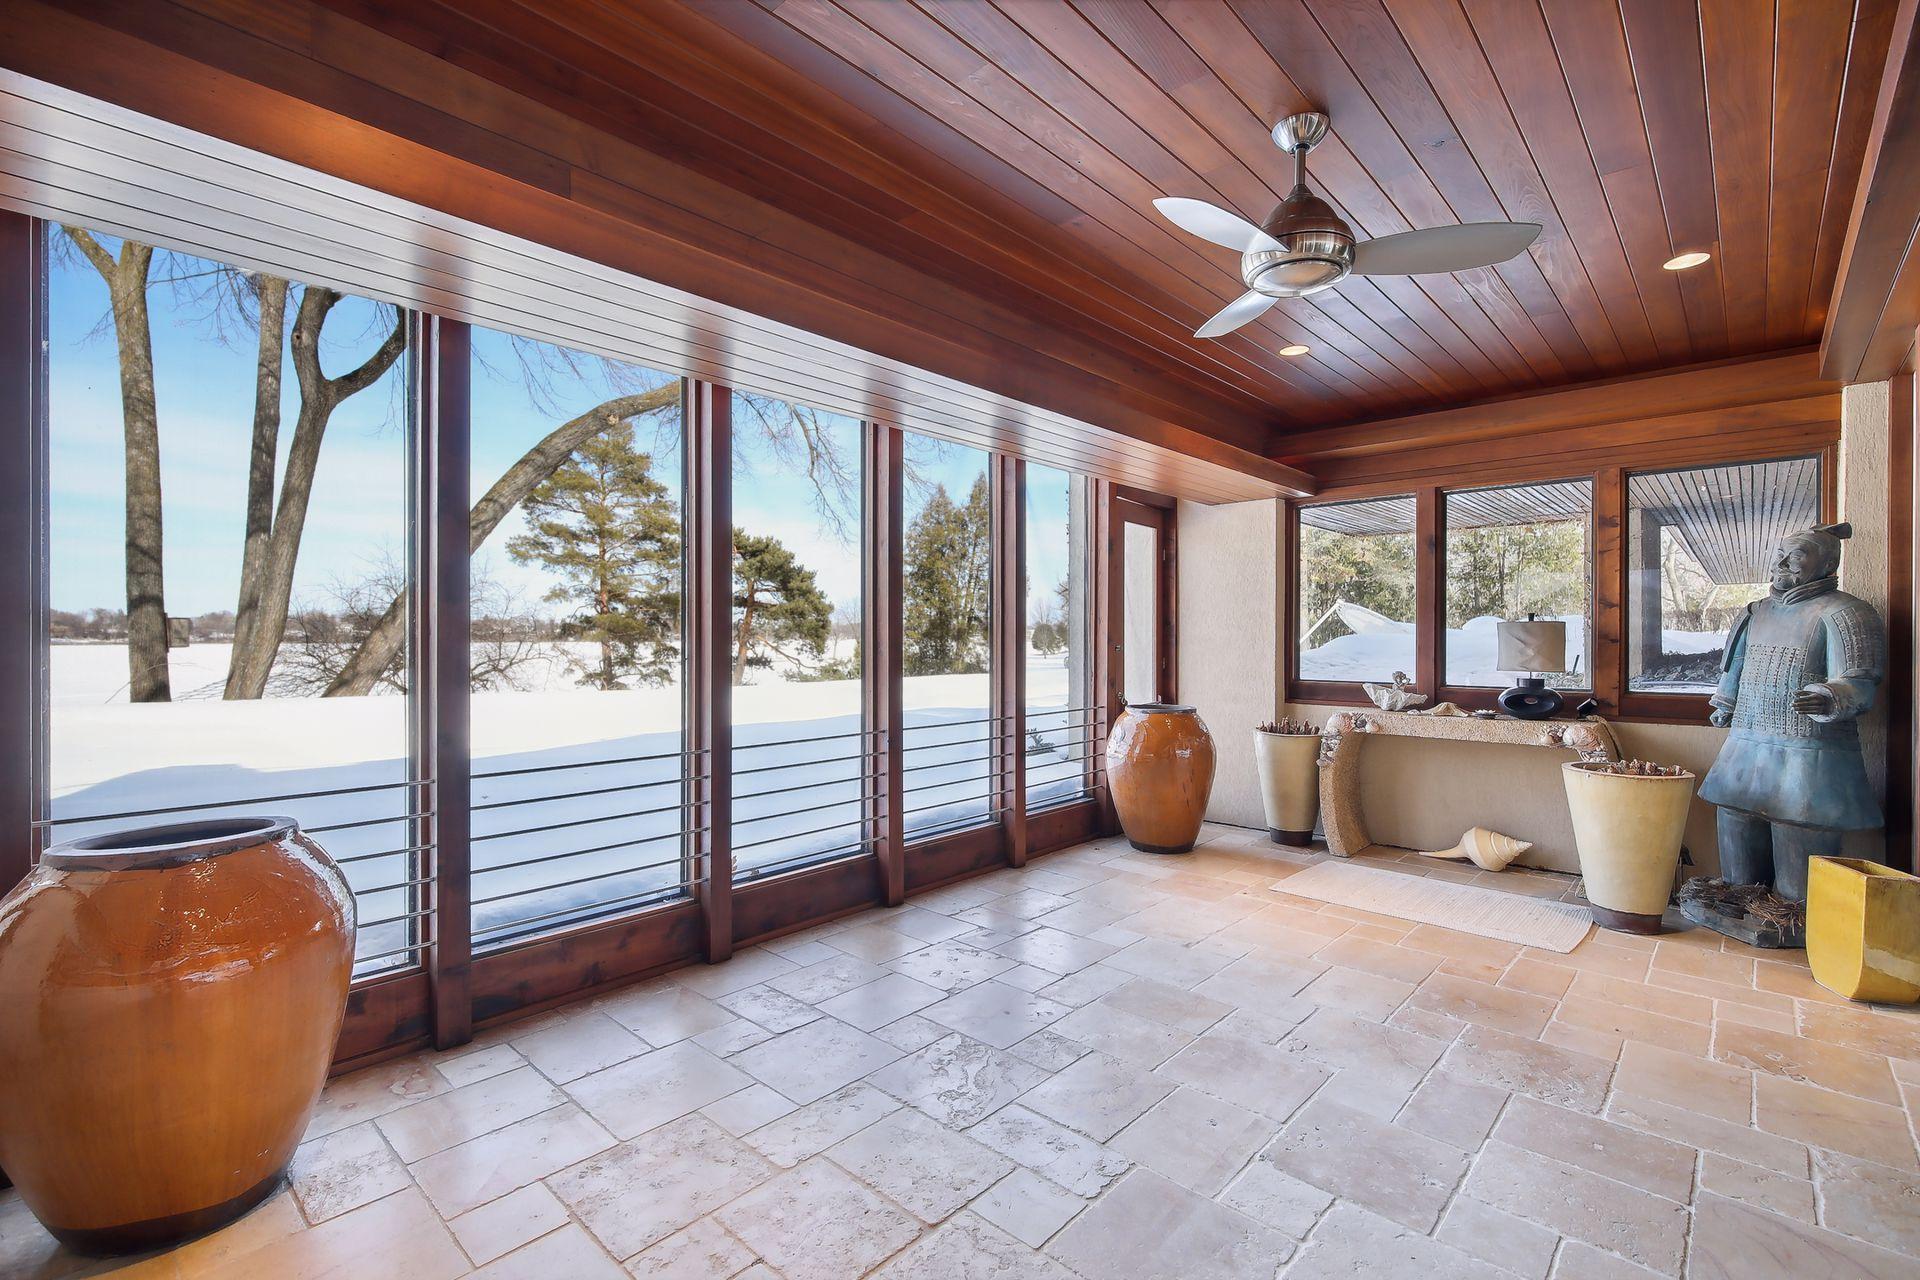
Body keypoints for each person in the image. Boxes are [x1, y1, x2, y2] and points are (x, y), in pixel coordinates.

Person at [1698, 523, 1884, 906]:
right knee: (1735, 823)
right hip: (1745, 747)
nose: (1781, 563)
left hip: (1808, 756)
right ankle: (1740, 904)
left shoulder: (1847, 612)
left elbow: (1860, 682)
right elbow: (1736, 667)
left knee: (1797, 842)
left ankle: (1792, 918)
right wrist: (1725, 703)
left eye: (1796, 555)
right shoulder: (1756, 613)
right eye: (1779, 554)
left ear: (1828, 563)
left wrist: (1828, 697)